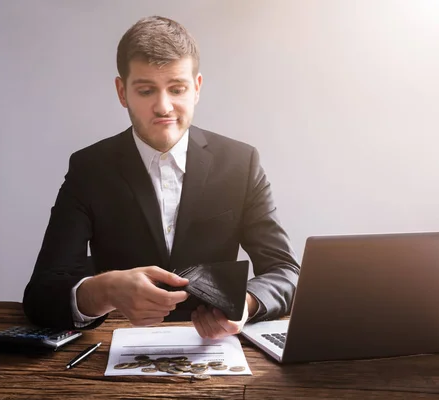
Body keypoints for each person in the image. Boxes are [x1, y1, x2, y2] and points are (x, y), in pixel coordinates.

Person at [23, 16, 300, 339]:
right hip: (114, 349)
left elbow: (286, 272)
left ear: (196, 88)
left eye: (177, 88)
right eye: (145, 90)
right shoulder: (88, 168)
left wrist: (246, 304)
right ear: (122, 92)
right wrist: (105, 290)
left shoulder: (242, 162)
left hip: (214, 351)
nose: (163, 106)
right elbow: (41, 295)